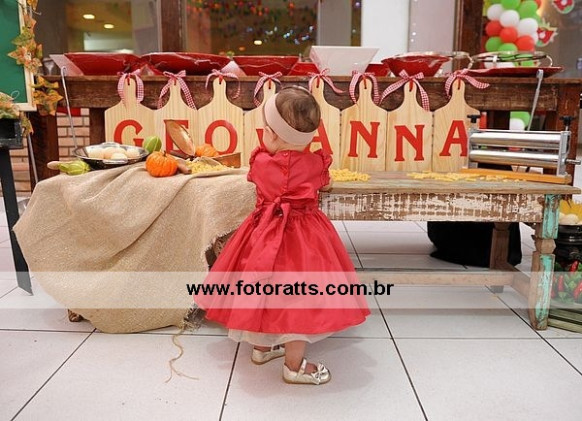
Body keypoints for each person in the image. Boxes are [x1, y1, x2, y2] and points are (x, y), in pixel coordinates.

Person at [195, 86, 370, 385]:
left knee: (261, 292)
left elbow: (258, 178)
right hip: (305, 240)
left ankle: (265, 350)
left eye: (266, 129)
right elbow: (324, 182)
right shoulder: (315, 165)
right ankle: (293, 363)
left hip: (262, 236)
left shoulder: (261, 163)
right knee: (298, 301)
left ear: (273, 135)